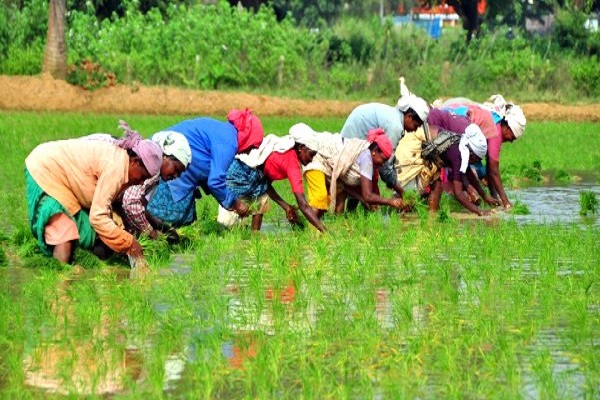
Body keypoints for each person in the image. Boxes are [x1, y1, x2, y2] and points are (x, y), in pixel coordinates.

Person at [25, 128, 163, 264]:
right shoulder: (116, 168)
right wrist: (130, 244)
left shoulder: (122, 163)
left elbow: (107, 204)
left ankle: (74, 266)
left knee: (89, 234)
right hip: (46, 169)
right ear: (135, 161)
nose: (141, 182)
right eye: (143, 176)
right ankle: (59, 277)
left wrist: (122, 232)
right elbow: (97, 217)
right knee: (65, 230)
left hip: (65, 182)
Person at [145, 109, 264, 227]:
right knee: (166, 220)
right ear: (248, 137)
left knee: (185, 222)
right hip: (172, 166)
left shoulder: (224, 132)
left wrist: (227, 201)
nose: (249, 152)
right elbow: (215, 181)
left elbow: (208, 174)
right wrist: (236, 203)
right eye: (253, 146)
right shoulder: (229, 143)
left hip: (168, 162)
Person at [217, 129, 326, 232]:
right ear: (301, 147)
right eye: (311, 154)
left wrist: (287, 207)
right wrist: (324, 230)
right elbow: (303, 205)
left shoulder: (286, 153)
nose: (311, 160)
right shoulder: (292, 163)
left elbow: (266, 185)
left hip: (256, 178)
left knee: (261, 201)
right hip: (241, 173)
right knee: (226, 222)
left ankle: (255, 239)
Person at [340, 77, 430, 194]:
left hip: (359, 135)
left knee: (366, 177)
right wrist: (401, 192)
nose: (414, 130)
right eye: (416, 125)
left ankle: (355, 210)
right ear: (409, 117)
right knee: (361, 176)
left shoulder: (395, 117)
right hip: (355, 137)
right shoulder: (395, 126)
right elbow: (386, 163)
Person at [296, 123, 406, 216]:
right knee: (319, 198)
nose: (383, 164)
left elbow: (346, 186)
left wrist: (363, 199)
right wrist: (391, 201)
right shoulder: (366, 158)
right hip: (317, 156)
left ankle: (337, 227)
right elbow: (368, 195)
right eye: (383, 160)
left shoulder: (368, 160)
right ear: (375, 151)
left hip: (329, 164)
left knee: (340, 193)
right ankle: (311, 234)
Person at [441, 94, 527, 209]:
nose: (511, 141)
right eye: (512, 137)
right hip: (446, 126)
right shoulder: (496, 131)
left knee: (475, 172)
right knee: (468, 172)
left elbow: (490, 169)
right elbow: (493, 171)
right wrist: (506, 202)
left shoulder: (495, 122)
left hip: (451, 121)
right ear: (507, 128)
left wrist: (493, 196)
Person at [119, 130, 192, 240]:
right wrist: (151, 233)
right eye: (176, 169)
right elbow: (130, 202)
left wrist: (159, 226)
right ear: (165, 156)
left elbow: (137, 205)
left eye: (179, 174)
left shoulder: (155, 173)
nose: (176, 176)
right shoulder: (152, 168)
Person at [422, 123, 493, 216]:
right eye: (476, 159)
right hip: (419, 141)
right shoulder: (458, 155)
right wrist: (479, 211)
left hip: (429, 146)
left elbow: (469, 174)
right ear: (471, 153)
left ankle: (431, 218)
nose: (475, 162)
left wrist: (485, 196)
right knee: (430, 186)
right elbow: (458, 194)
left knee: (437, 185)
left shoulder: (462, 148)